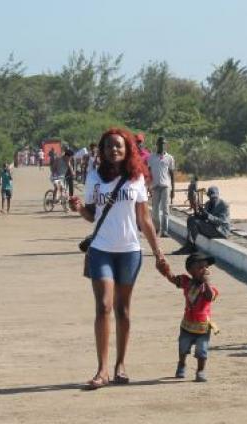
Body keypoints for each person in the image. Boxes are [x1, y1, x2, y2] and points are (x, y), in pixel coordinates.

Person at [72, 128, 168, 390]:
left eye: (119, 146)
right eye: (109, 146)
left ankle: (120, 365)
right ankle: (102, 370)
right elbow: (93, 215)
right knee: (103, 306)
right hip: (101, 249)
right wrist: (80, 208)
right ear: (102, 151)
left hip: (129, 251)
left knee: (123, 310)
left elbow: (144, 220)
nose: (114, 150)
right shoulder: (94, 178)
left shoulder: (136, 179)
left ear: (128, 150)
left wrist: (158, 252)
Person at [161, 252, 219, 382]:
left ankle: (200, 370)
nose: (204, 270)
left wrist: (207, 282)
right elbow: (173, 279)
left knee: (202, 351)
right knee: (183, 347)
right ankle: (182, 364)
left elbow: (210, 297)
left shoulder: (209, 288)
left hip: (203, 327)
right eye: (200, 267)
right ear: (190, 270)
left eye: (206, 267)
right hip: (187, 325)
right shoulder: (186, 282)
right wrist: (165, 270)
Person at [174, 186, 230, 255]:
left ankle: (191, 246)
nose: (213, 199)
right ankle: (189, 244)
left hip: (220, 230)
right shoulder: (208, 204)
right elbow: (204, 218)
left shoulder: (224, 205)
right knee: (191, 219)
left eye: (214, 197)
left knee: (195, 222)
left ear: (218, 195)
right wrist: (198, 214)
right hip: (212, 227)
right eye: (211, 197)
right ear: (208, 196)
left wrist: (207, 215)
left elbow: (221, 221)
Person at [147, 136, 175, 237]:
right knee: (155, 210)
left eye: (164, 144)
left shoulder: (170, 158)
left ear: (166, 145)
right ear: (157, 145)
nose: (162, 145)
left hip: (165, 186)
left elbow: (172, 174)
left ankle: (165, 231)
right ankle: (157, 228)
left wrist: (173, 189)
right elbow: (148, 173)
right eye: (160, 144)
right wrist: (148, 186)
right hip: (155, 186)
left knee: (165, 209)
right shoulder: (151, 157)